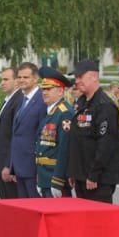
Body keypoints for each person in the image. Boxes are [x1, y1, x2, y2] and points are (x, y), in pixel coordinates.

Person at [67, 59, 119, 237]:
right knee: (87, 226)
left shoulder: (104, 106)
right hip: (82, 175)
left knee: (101, 226)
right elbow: (77, 141)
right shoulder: (82, 103)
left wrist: (93, 174)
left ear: (94, 77)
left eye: (81, 76)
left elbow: (105, 144)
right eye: (76, 77)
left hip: (97, 178)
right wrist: (74, 171)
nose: (77, 81)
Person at [10, 62, 47, 198]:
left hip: (33, 167)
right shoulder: (22, 99)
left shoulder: (42, 100)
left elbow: (42, 136)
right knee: (24, 210)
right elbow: (17, 134)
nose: (21, 80)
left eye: (26, 77)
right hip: (20, 166)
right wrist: (13, 166)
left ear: (35, 78)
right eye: (19, 77)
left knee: (34, 206)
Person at [36, 66, 74, 198]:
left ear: (60, 91)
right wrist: (40, 180)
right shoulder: (50, 112)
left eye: (48, 89)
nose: (44, 92)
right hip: (44, 176)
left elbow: (64, 149)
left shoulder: (64, 113)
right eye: (43, 89)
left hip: (54, 178)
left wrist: (58, 181)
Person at [0, 67, 22, 199]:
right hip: (0, 166)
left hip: (8, 167)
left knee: (13, 206)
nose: (2, 83)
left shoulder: (18, 101)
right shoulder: (7, 100)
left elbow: (15, 137)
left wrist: (9, 166)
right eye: (1, 79)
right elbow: (0, 136)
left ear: (16, 81)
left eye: (6, 79)